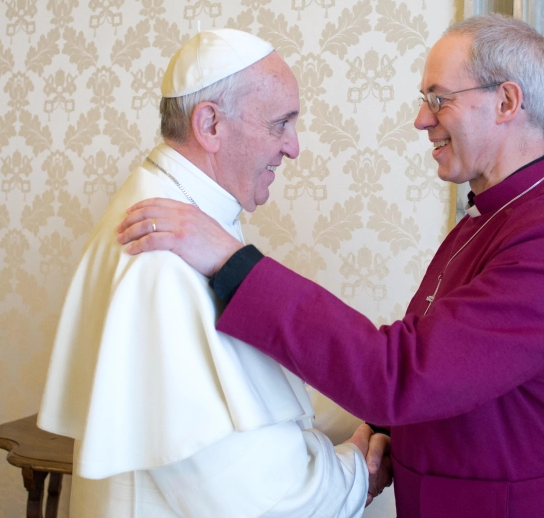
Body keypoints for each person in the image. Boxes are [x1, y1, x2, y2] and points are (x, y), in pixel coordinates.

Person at [116, 14, 544, 518]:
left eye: (438, 98)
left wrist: (233, 263)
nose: (422, 119)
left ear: (506, 102)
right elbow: (451, 370)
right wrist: (373, 438)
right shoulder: (488, 219)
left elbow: (406, 374)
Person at [38, 28, 390, 517]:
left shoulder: (182, 218)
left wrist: (378, 404)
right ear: (210, 125)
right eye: (280, 124)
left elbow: (257, 400)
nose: (294, 147)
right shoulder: (162, 255)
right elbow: (256, 498)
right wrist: (362, 472)